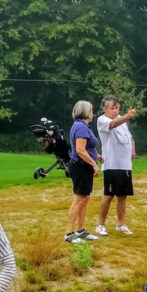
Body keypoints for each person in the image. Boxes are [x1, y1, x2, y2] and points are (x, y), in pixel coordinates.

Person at [95, 96, 138, 237]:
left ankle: (121, 224)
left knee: (123, 195)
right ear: (104, 109)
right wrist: (127, 116)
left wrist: (132, 149)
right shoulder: (102, 120)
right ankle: (100, 225)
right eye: (112, 108)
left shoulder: (122, 120)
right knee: (109, 195)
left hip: (125, 165)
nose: (115, 110)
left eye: (117, 108)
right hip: (111, 165)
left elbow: (130, 137)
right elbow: (113, 124)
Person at [65, 100, 103, 244]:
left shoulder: (82, 126)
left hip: (84, 166)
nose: (92, 114)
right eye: (91, 111)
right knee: (79, 198)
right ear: (86, 112)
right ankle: (69, 233)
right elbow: (80, 150)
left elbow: (86, 147)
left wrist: (96, 155)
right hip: (80, 166)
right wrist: (94, 164)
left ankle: (81, 231)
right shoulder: (81, 127)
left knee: (84, 198)